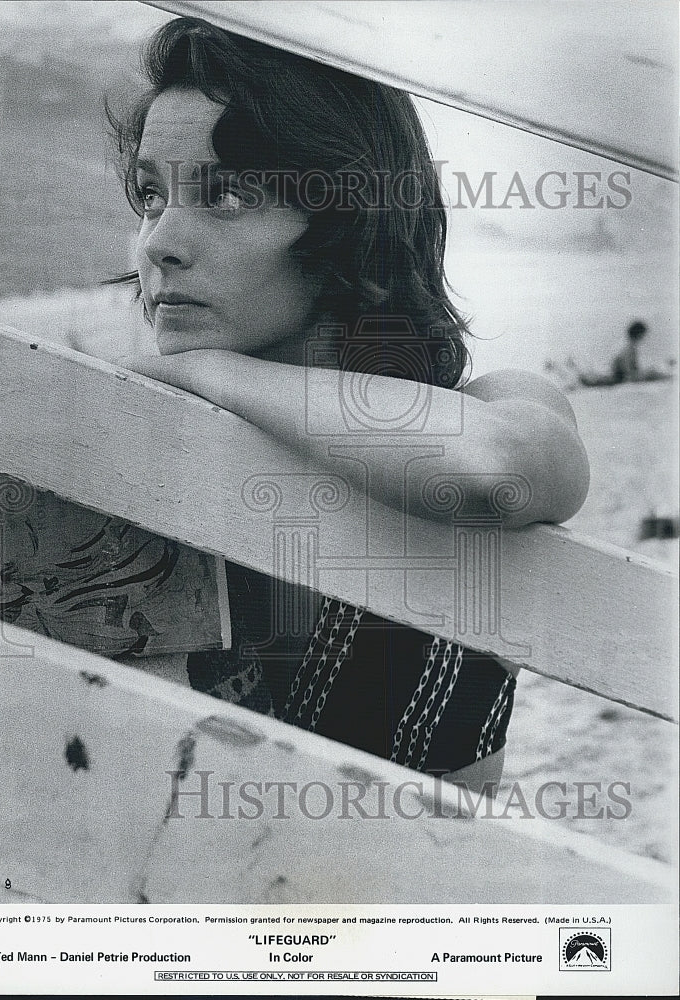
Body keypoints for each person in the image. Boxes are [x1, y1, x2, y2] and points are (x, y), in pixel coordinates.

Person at [106, 17, 590, 793]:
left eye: (227, 192)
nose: (159, 240)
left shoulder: (494, 405)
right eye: (150, 195)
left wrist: (212, 373)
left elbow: (489, 469)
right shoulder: (123, 458)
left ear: (351, 220)